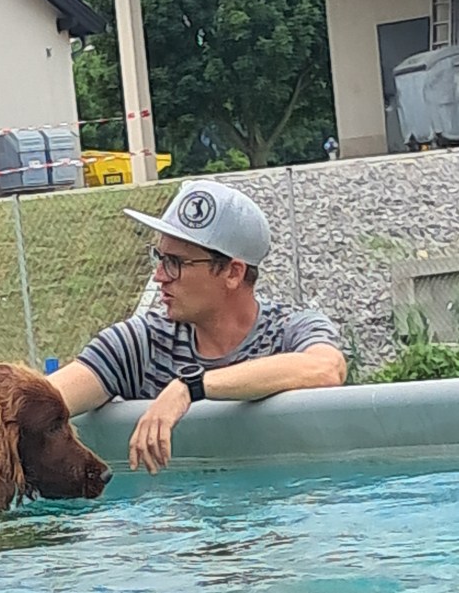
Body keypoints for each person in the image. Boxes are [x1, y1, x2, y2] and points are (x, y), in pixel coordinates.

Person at [49, 179, 347, 474]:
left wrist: (191, 387)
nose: (159, 276)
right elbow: (42, 401)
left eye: (176, 262)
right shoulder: (141, 344)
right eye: (159, 258)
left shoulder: (289, 330)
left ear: (233, 273)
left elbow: (326, 368)